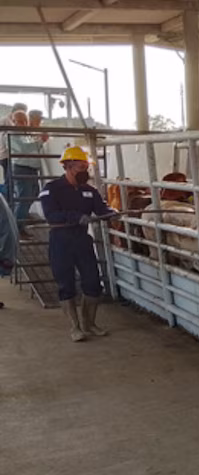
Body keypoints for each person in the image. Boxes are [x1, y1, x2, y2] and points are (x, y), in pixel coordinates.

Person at [40, 146, 117, 342]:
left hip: (82, 240)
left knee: (92, 282)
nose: (86, 172)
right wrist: (75, 217)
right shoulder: (52, 189)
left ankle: (89, 323)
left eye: (86, 167)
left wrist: (109, 213)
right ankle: (75, 327)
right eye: (82, 167)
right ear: (69, 166)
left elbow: (100, 208)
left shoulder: (89, 191)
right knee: (66, 284)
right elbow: (51, 216)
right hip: (61, 240)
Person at [7, 110, 44, 230]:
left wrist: (38, 140)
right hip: (22, 168)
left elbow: (30, 145)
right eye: (19, 121)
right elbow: (25, 148)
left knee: (32, 194)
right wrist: (41, 140)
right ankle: (17, 228)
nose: (22, 124)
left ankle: (18, 221)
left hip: (30, 169)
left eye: (24, 121)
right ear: (13, 122)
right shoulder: (11, 134)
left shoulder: (24, 134)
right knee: (24, 198)